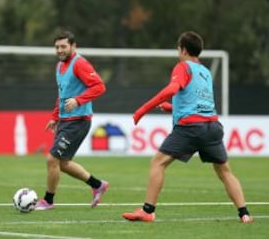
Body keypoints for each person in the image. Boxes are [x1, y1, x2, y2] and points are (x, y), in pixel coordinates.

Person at [122, 31, 253, 223]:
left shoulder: (182, 67)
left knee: (158, 163)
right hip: (212, 126)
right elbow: (197, 102)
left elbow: (172, 90)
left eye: (178, 48)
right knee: (224, 171)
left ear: (183, 49)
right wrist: (171, 108)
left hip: (191, 128)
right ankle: (245, 214)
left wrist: (143, 109)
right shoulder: (205, 72)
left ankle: (148, 211)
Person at [35, 31, 109, 210]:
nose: (60, 50)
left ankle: (48, 201)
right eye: (57, 47)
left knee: (52, 159)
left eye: (63, 46)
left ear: (73, 46)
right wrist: (55, 117)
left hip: (78, 121)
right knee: (62, 163)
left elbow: (100, 86)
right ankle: (98, 185)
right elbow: (62, 94)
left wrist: (78, 100)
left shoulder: (80, 64)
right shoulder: (59, 66)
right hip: (65, 120)